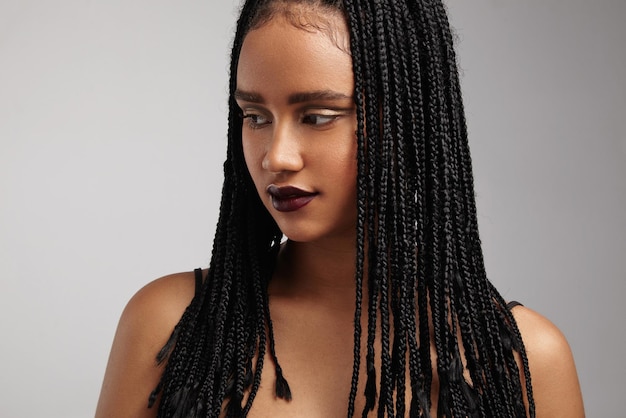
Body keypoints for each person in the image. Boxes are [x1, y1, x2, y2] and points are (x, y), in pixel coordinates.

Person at [95, 0, 584, 417]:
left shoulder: (523, 362)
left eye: (317, 116)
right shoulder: (169, 325)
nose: (275, 156)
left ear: (407, 120)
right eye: (255, 116)